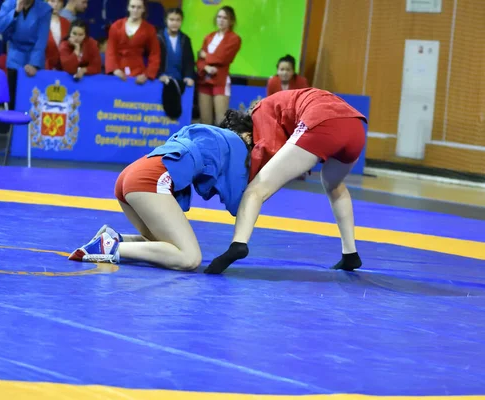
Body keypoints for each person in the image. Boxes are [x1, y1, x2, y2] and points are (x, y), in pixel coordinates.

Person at [204, 88, 367, 274]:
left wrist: (247, 182)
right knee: (333, 184)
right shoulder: (278, 104)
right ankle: (350, 254)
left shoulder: (261, 110)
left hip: (322, 122)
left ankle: (238, 245)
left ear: (245, 134)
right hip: (355, 129)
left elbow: (268, 148)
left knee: (255, 190)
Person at [68, 113, 253, 271]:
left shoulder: (205, 133)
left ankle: (114, 238)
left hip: (133, 173)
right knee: (189, 258)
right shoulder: (237, 144)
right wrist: (257, 194)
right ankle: (106, 248)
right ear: (248, 137)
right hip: (150, 179)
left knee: (164, 245)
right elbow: (238, 199)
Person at [196, 6, 241, 126]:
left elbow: (222, 58)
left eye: (225, 18)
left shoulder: (234, 39)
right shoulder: (209, 37)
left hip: (220, 80)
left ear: (231, 21)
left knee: (221, 121)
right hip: (204, 80)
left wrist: (206, 55)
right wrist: (206, 67)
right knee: (205, 121)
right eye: (219, 17)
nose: (221, 20)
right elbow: (199, 59)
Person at [105, 0, 161, 84]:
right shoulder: (116, 26)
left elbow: (155, 54)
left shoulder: (149, 29)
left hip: (138, 72)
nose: (135, 10)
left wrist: (147, 74)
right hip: (118, 71)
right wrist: (114, 69)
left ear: (144, 9)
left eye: (139, 7)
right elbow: (110, 50)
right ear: (128, 8)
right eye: (133, 7)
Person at [45, 0, 70, 71]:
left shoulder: (67, 23)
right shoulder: (39, 21)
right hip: (44, 67)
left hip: (62, 68)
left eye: (59, 2)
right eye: (52, 1)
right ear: (46, 2)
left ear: (62, 4)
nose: (56, 5)